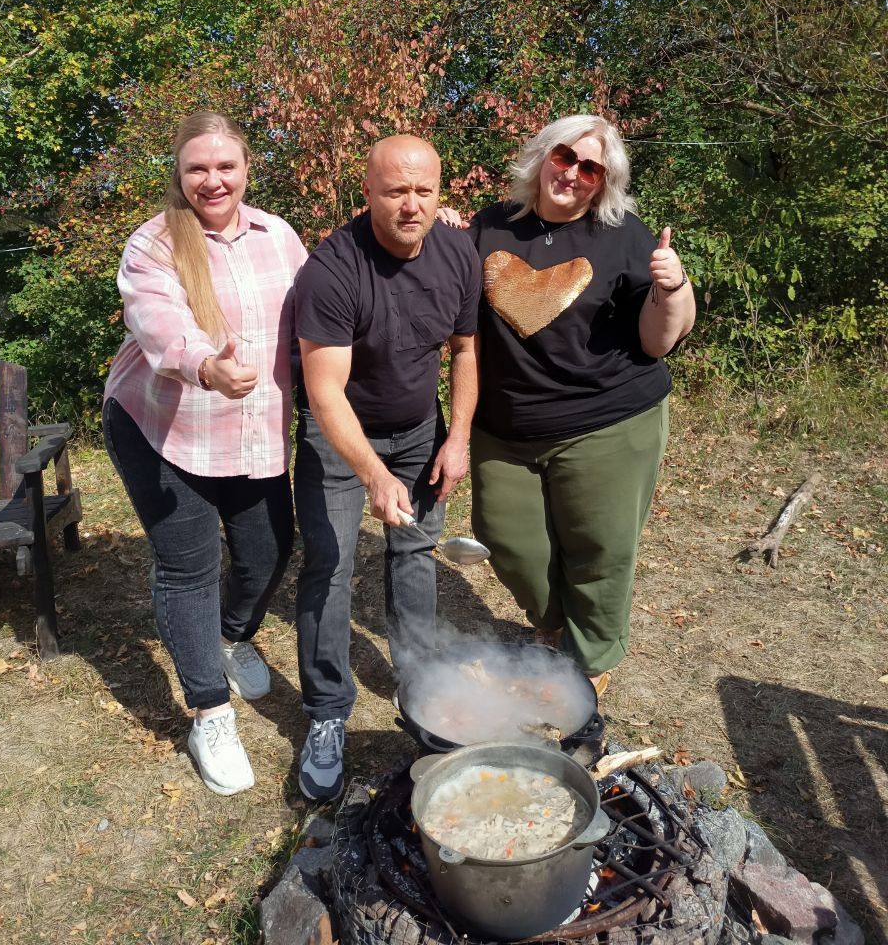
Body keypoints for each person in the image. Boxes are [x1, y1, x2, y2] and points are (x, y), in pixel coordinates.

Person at [439, 114, 695, 696]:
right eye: (564, 157)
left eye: (590, 168)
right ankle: (553, 626)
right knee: (508, 541)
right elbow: (443, 293)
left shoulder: (624, 235)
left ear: (604, 182)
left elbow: (659, 340)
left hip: (608, 421)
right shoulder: (489, 226)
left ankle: (589, 664)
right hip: (506, 427)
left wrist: (673, 285)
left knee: (600, 551)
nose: (572, 173)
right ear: (541, 157)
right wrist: (439, 229)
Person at [103, 111, 307, 796]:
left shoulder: (279, 235)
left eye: (226, 166)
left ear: (246, 169)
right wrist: (205, 365)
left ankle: (231, 637)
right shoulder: (154, 242)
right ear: (179, 174)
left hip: (253, 429)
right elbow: (158, 323)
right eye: (198, 168)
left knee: (268, 551)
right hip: (163, 428)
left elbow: (331, 296)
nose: (213, 180)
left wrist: (431, 229)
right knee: (187, 568)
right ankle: (209, 712)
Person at [292, 134, 481, 800]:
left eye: (423, 190)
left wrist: (457, 438)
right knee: (330, 565)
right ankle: (326, 712)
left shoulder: (458, 251)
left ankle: (420, 685)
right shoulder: (332, 270)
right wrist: (373, 472)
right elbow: (323, 392)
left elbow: (465, 350)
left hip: (420, 429)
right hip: (338, 437)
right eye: (396, 190)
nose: (410, 205)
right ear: (367, 191)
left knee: (416, 552)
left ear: (439, 193)